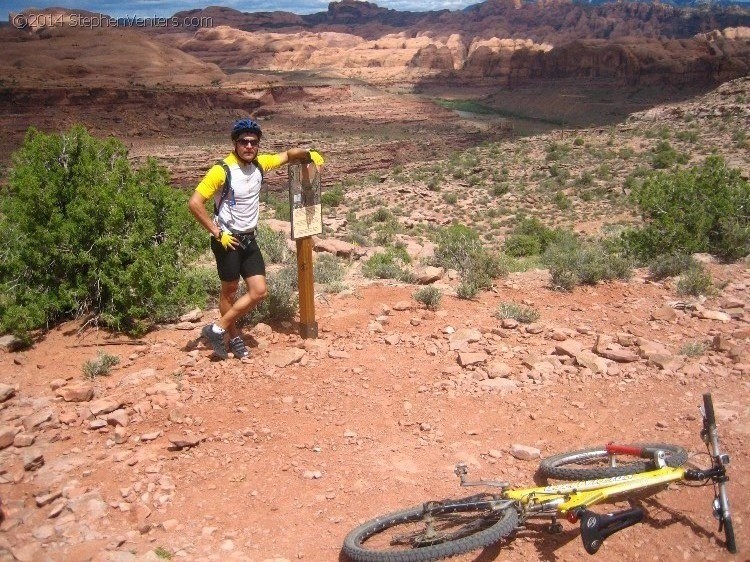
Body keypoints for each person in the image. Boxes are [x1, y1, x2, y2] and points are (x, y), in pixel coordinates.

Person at [189, 118, 323, 360]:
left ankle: (216, 328)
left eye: (253, 142)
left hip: (249, 238)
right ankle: (234, 337)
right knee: (229, 291)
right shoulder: (222, 170)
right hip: (227, 240)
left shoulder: (261, 164)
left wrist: (309, 154)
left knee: (259, 291)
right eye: (244, 142)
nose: (249, 146)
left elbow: (288, 155)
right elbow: (195, 203)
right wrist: (217, 233)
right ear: (235, 143)